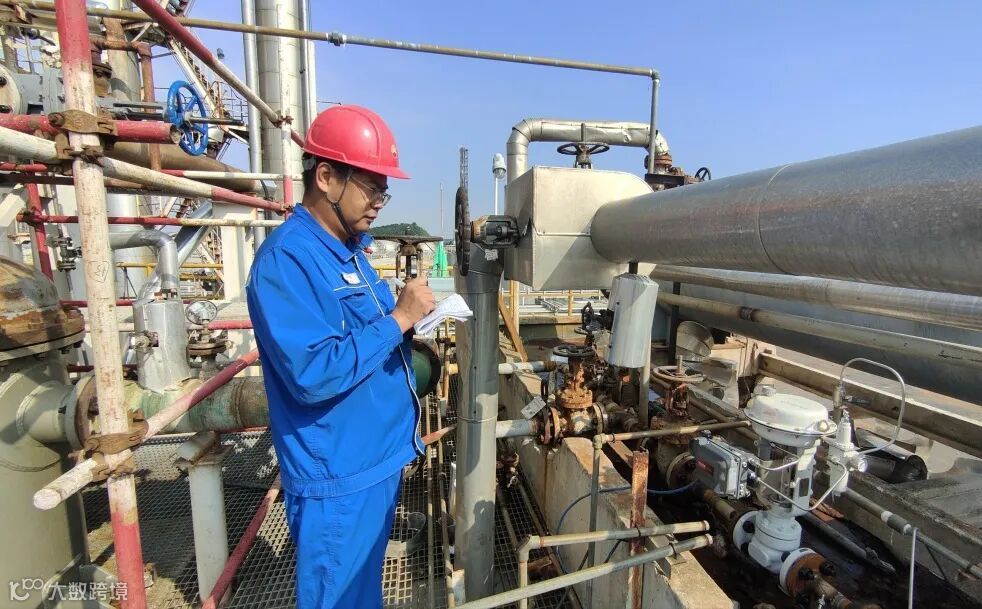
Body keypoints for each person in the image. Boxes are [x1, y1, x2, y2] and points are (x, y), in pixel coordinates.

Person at [246, 104, 435, 608]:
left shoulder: (348, 250)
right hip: (338, 478)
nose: (378, 203)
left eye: (383, 192)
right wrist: (398, 319)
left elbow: (364, 335)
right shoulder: (287, 260)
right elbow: (312, 372)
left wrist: (408, 323)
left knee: (360, 594)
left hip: (374, 460)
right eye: (371, 188)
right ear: (326, 177)